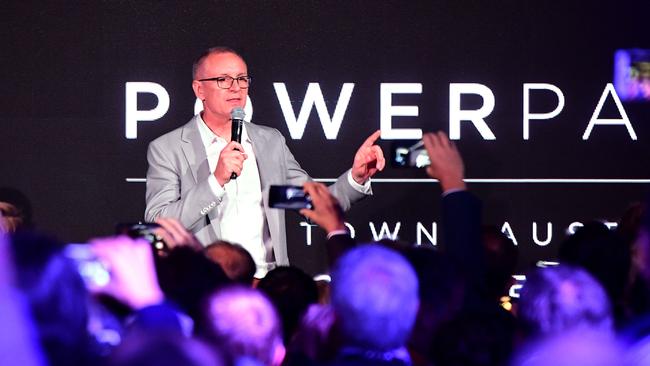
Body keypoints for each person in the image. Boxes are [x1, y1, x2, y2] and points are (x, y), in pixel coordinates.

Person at [145, 46, 384, 278]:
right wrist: (216, 181)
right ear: (200, 89)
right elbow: (159, 224)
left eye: (242, 79)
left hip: (266, 283)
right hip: (206, 283)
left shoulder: (270, 141)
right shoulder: (168, 148)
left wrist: (356, 177)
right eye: (224, 80)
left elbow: (313, 202)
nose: (236, 87)